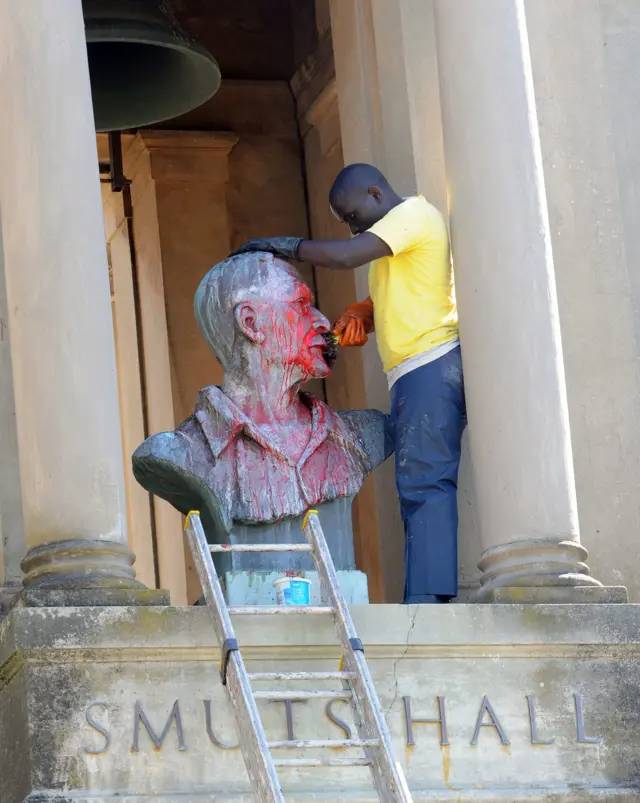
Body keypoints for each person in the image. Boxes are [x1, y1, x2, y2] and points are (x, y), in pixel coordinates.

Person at [231, 163, 466, 604]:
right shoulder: (396, 241)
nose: (351, 226)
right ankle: (425, 594)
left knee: (425, 484)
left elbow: (344, 256)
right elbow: (400, 295)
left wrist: (288, 247)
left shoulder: (412, 216)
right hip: (412, 372)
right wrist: (361, 315)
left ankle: (429, 601)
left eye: (352, 215)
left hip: (429, 366)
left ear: (376, 193)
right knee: (416, 484)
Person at [132, 251, 392, 576]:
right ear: (251, 324)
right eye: (301, 305)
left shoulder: (359, 436)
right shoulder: (182, 454)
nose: (323, 321)